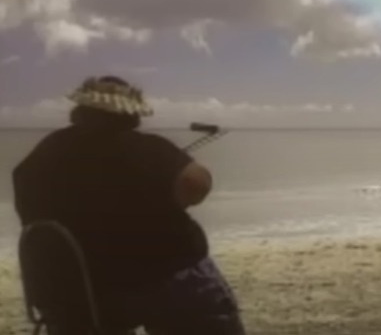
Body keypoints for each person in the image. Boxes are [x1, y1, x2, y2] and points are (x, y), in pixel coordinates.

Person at [12, 75, 246, 335]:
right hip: (161, 277)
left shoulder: (43, 153)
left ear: (80, 110)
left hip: (74, 291)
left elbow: (28, 206)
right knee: (193, 285)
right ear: (131, 115)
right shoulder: (145, 147)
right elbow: (196, 185)